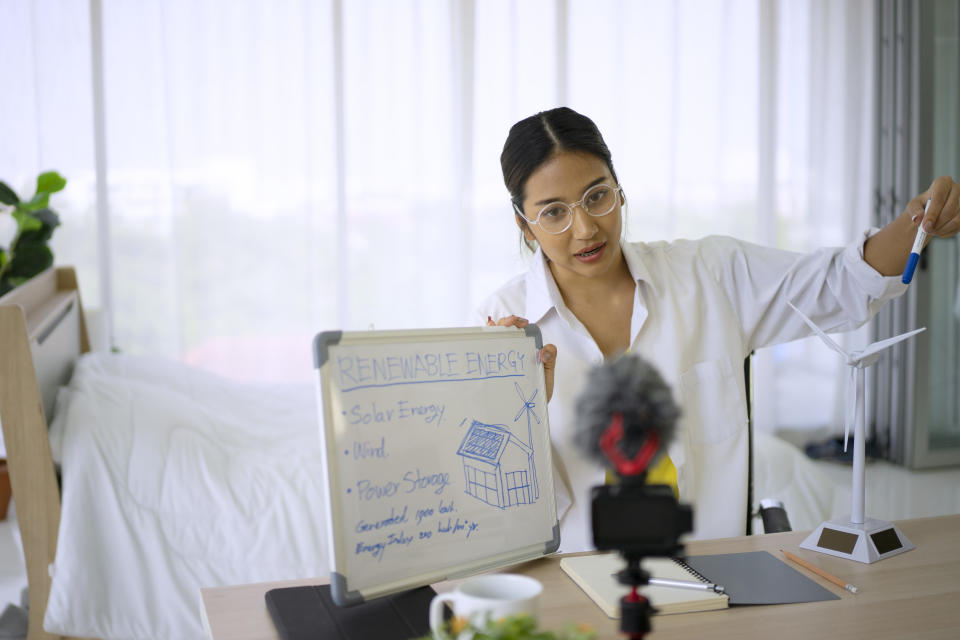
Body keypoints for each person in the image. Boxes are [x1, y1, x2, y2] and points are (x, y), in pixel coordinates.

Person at [477, 106, 960, 552]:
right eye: (554, 212)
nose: (585, 228)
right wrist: (522, 410)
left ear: (620, 190)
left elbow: (839, 284)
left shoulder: (710, 273)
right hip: (578, 587)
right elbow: (495, 506)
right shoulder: (504, 324)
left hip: (709, 577)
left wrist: (916, 223)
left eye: (597, 196)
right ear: (525, 225)